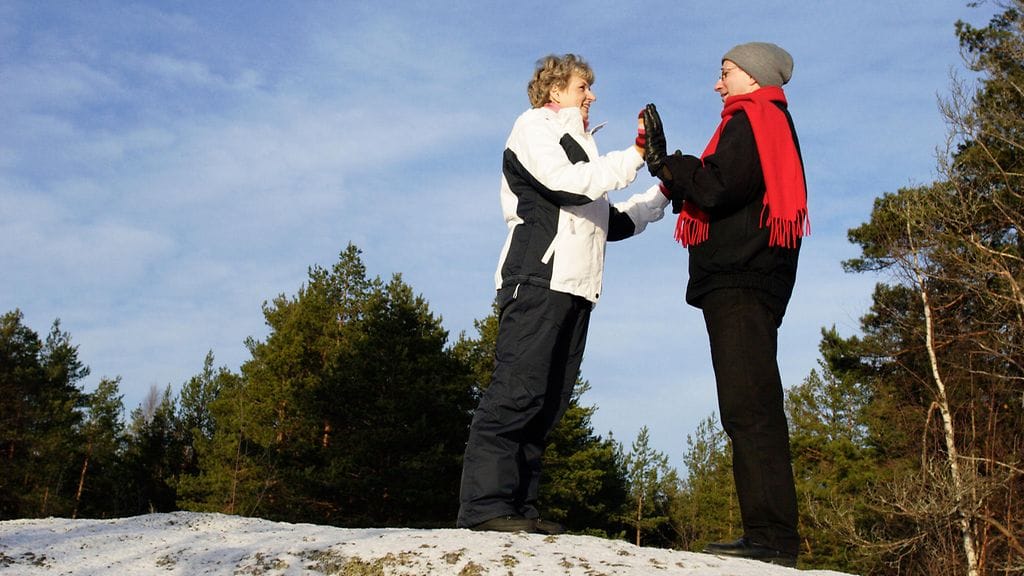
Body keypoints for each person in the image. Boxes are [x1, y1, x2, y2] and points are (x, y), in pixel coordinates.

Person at [457, 53, 670, 534]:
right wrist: (636, 154)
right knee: (517, 391)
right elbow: (567, 186)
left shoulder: (584, 147)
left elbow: (609, 221)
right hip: (537, 277)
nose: (591, 95)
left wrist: (663, 194)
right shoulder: (534, 128)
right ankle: (485, 507)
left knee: (548, 401)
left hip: (577, 287)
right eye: (582, 87)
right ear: (555, 91)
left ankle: (519, 507)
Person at [642, 42, 808, 566]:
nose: (718, 83)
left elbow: (716, 187)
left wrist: (666, 162)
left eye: (726, 72)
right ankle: (767, 532)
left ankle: (772, 538)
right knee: (748, 406)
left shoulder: (752, 121)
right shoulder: (764, 123)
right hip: (750, 282)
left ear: (753, 77)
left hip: (741, 282)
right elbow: (724, 188)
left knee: (749, 408)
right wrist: (671, 171)